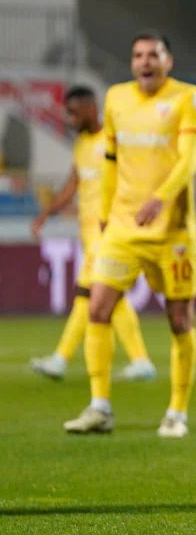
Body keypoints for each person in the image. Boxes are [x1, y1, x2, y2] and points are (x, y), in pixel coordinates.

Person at [62, 33, 196, 438]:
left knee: (179, 319)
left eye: (153, 55)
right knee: (97, 309)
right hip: (123, 227)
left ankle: (177, 412)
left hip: (172, 231)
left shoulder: (187, 98)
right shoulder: (116, 99)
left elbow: (189, 161)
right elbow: (110, 161)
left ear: (168, 61)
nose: (145, 62)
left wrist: (159, 199)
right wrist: (106, 214)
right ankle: (99, 407)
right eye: (138, 55)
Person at [30, 85, 153, 383]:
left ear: (90, 108)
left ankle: (62, 359)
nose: (70, 119)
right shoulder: (82, 144)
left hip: (108, 231)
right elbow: (73, 184)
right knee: (103, 297)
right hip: (88, 235)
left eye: (74, 113)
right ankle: (139, 361)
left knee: (91, 293)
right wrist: (47, 213)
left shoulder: (113, 140)